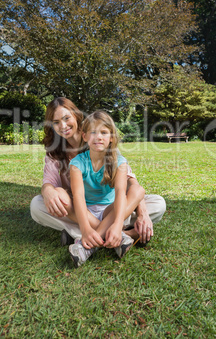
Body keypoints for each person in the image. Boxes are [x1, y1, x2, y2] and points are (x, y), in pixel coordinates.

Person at [30, 97, 166, 250]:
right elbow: (49, 182)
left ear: (76, 115)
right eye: (56, 122)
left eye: (66, 118)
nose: (63, 125)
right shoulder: (54, 151)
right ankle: (123, 234)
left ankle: (80, 235)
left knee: (158, 203)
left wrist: (142, 213)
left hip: (111, 207)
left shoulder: (99, 141)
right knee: (37, 205)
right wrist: (48, 191)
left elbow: (130, 182)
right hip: (80, 209)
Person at [68, 110, 144, 266]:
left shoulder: (119, 162)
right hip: (87, 213)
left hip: (111, 210)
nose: (98, 137)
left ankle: (86, 247)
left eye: (104, 132)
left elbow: (120, 194)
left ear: (111, 138)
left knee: (137, 191)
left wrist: (116, 224)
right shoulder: (77, 163)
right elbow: (78, 197)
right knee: (64, 200)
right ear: (85, 136)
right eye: (93, 132)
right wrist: (85, 229)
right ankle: (118, 236)